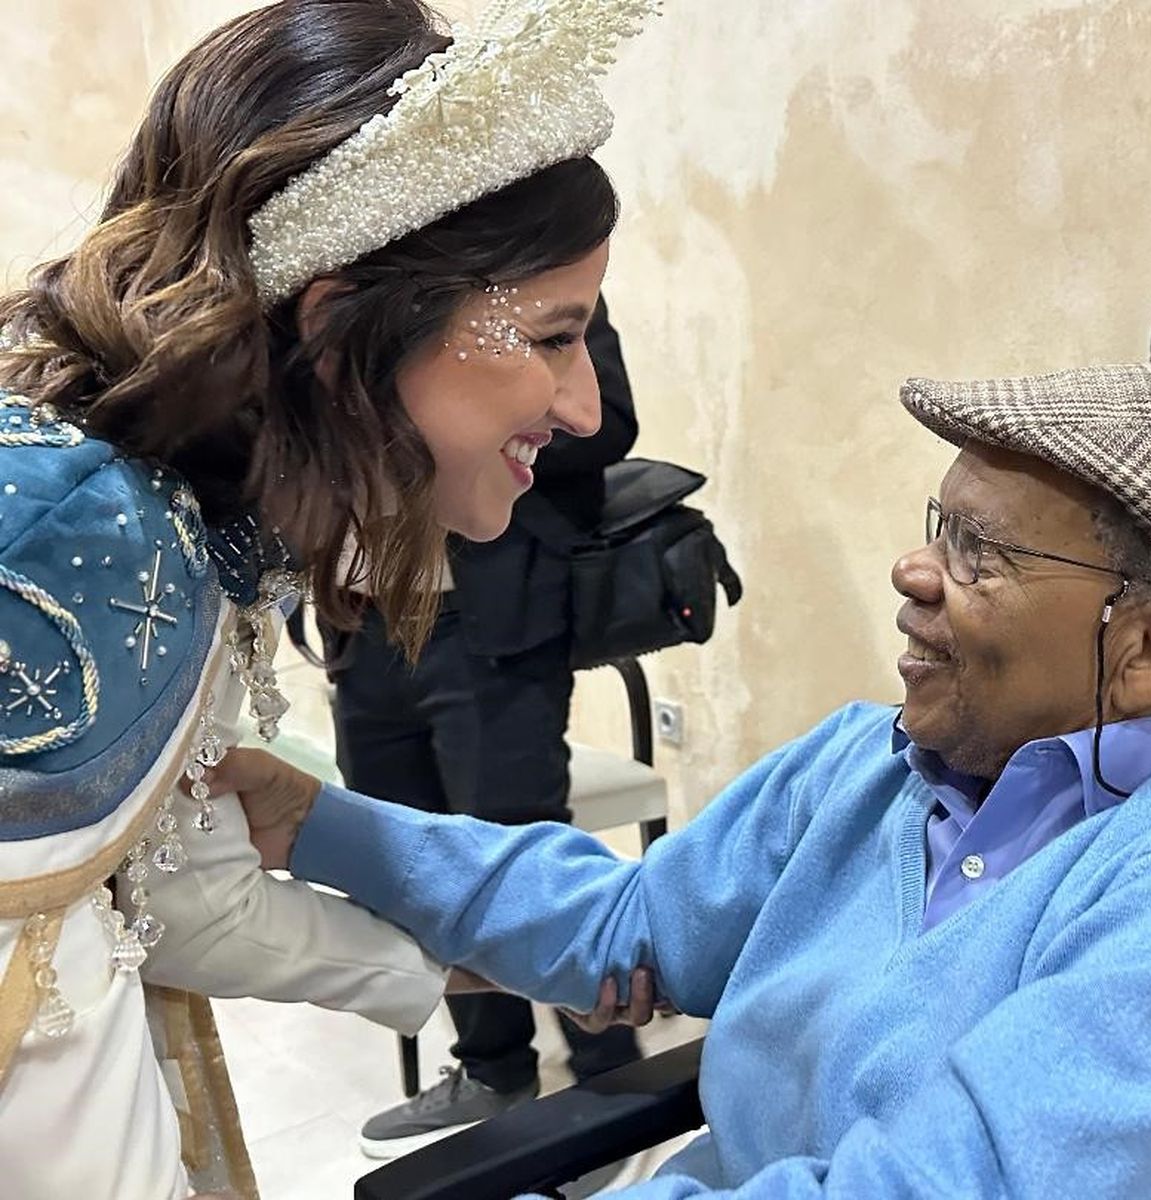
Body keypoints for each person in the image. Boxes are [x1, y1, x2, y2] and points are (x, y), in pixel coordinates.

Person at [218, 362, 1151, 1198]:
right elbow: (629, 927)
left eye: (980, 550)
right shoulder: (869, 764)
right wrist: (316, 823)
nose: (912, 570)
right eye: (938, 524)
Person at [0, 0, 654, 1196]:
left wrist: (489, 955)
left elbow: (175, 899)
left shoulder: (191, 515)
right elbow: (38, 1025)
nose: (584, 413)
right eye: (552, 338)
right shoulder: (64, 542)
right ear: (343, 318)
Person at [329, 295, 643, 1159]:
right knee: (413, 860)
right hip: (362, 621)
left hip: (487, 619)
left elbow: (606, 422)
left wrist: (451, 411)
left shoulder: (529, 281)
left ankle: (610, 1079)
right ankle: (493, 1065)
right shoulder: (328, 293)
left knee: (516, 850)